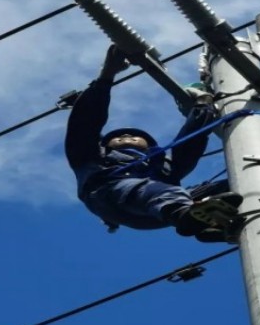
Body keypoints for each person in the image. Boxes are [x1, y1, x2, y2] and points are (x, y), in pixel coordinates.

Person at [64, 45, 241, 241]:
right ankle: (186, 216)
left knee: (238, 186)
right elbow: (85, 125)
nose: (126, 136)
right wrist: (107, 75)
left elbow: (190, 143)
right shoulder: (92, 159)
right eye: (118, 138)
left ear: (149, 146)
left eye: (134, 136)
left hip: (159, 210)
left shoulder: (163, 166)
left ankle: (218, 226)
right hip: (113, 198)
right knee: (153, 190)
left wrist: (203, 106)